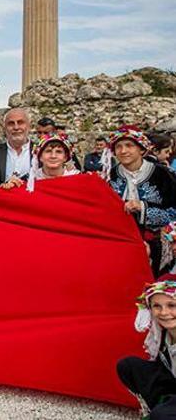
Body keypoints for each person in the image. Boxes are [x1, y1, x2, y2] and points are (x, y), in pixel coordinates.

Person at [107, 125, 176, 278]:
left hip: (158, 244)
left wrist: (142, 207)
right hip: (122, 243)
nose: (123, 151)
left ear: (142, 149)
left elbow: (173, 212)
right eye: (118, 147)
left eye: (129, 145)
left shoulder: (163, 174)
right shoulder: (112, 175)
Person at [117, 275, 176, 417]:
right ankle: (161, 404)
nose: (164, 312)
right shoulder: (162, 334)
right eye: (157, 306)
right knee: (128, 365)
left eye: (172, 305)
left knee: (161, 415)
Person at [0, 108, 34, 183]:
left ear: (29, 126)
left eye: (20, 122)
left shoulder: (40, 151)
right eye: (11, 123)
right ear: (4, 128)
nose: (16, 127)